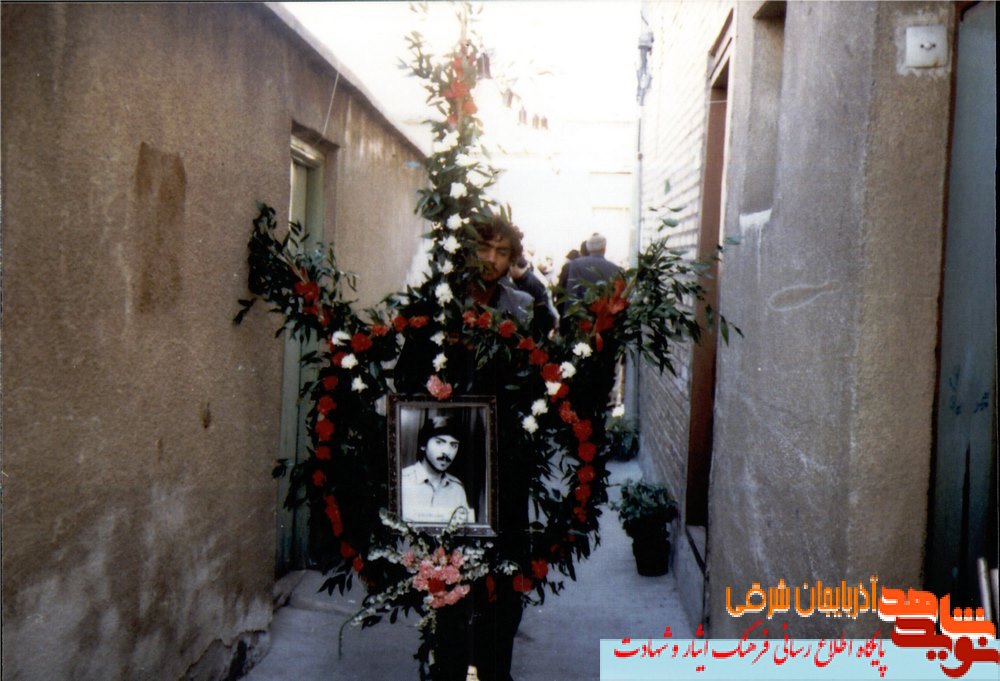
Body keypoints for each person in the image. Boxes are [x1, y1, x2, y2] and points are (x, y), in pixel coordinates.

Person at [401, 416, 475, 524]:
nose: (447, 452)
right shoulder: (401, 481)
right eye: (439, 442)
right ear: (423, 445)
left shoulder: (457, 490)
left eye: (454, 445)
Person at [563, 232, 622, 303]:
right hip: (606, 309)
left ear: (588, 248)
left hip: (581, 308)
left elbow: (572, 295)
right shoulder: (615, 269)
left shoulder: (576, 264)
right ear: (604, 248)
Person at [509, 255, 557, 338]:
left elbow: (541, 310)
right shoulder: (521, 280)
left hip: (537, 328)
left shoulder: (532, 283)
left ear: (514, 266)